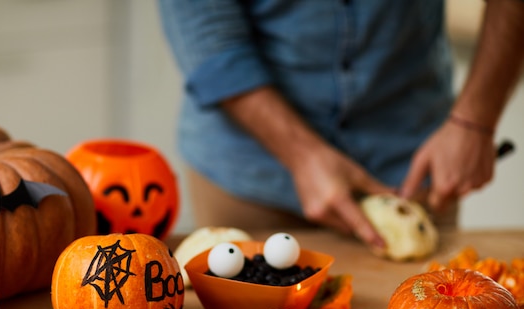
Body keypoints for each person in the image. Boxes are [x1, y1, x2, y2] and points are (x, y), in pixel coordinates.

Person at [158, 0, 524, 251]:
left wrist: (475, 121)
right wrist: (301, 154)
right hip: (247, 166)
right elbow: (204, 27)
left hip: (413, 164)